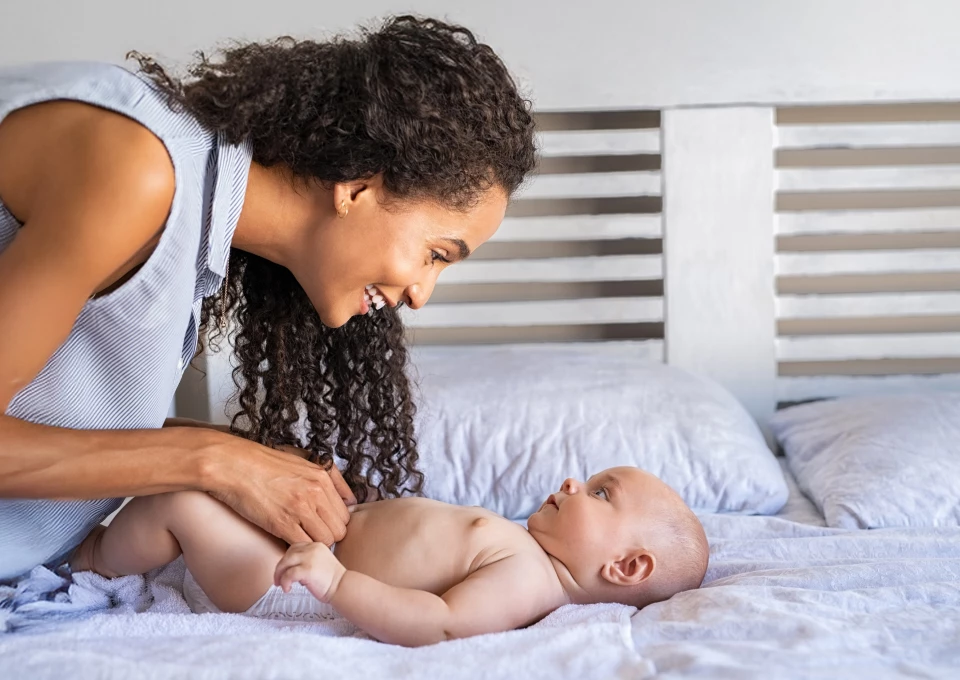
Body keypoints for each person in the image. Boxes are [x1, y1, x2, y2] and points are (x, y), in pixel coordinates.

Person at [0, 15, 537, 581]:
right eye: (436, 254)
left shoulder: (195, 203)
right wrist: (217, 464)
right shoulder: (136, 170)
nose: (423, 293)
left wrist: (243, 456)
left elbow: (42, 410)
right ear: (357, 187)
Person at [70, 466, 710, 646]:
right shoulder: (525, 545)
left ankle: (86, 559)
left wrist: (337, 580)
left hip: (286, 587)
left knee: (183, 497)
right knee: (231, 482)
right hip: (309, 553)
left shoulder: (528, 579)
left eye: (600, 493)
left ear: (626, 568)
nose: (573, 482)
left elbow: (440, 622)